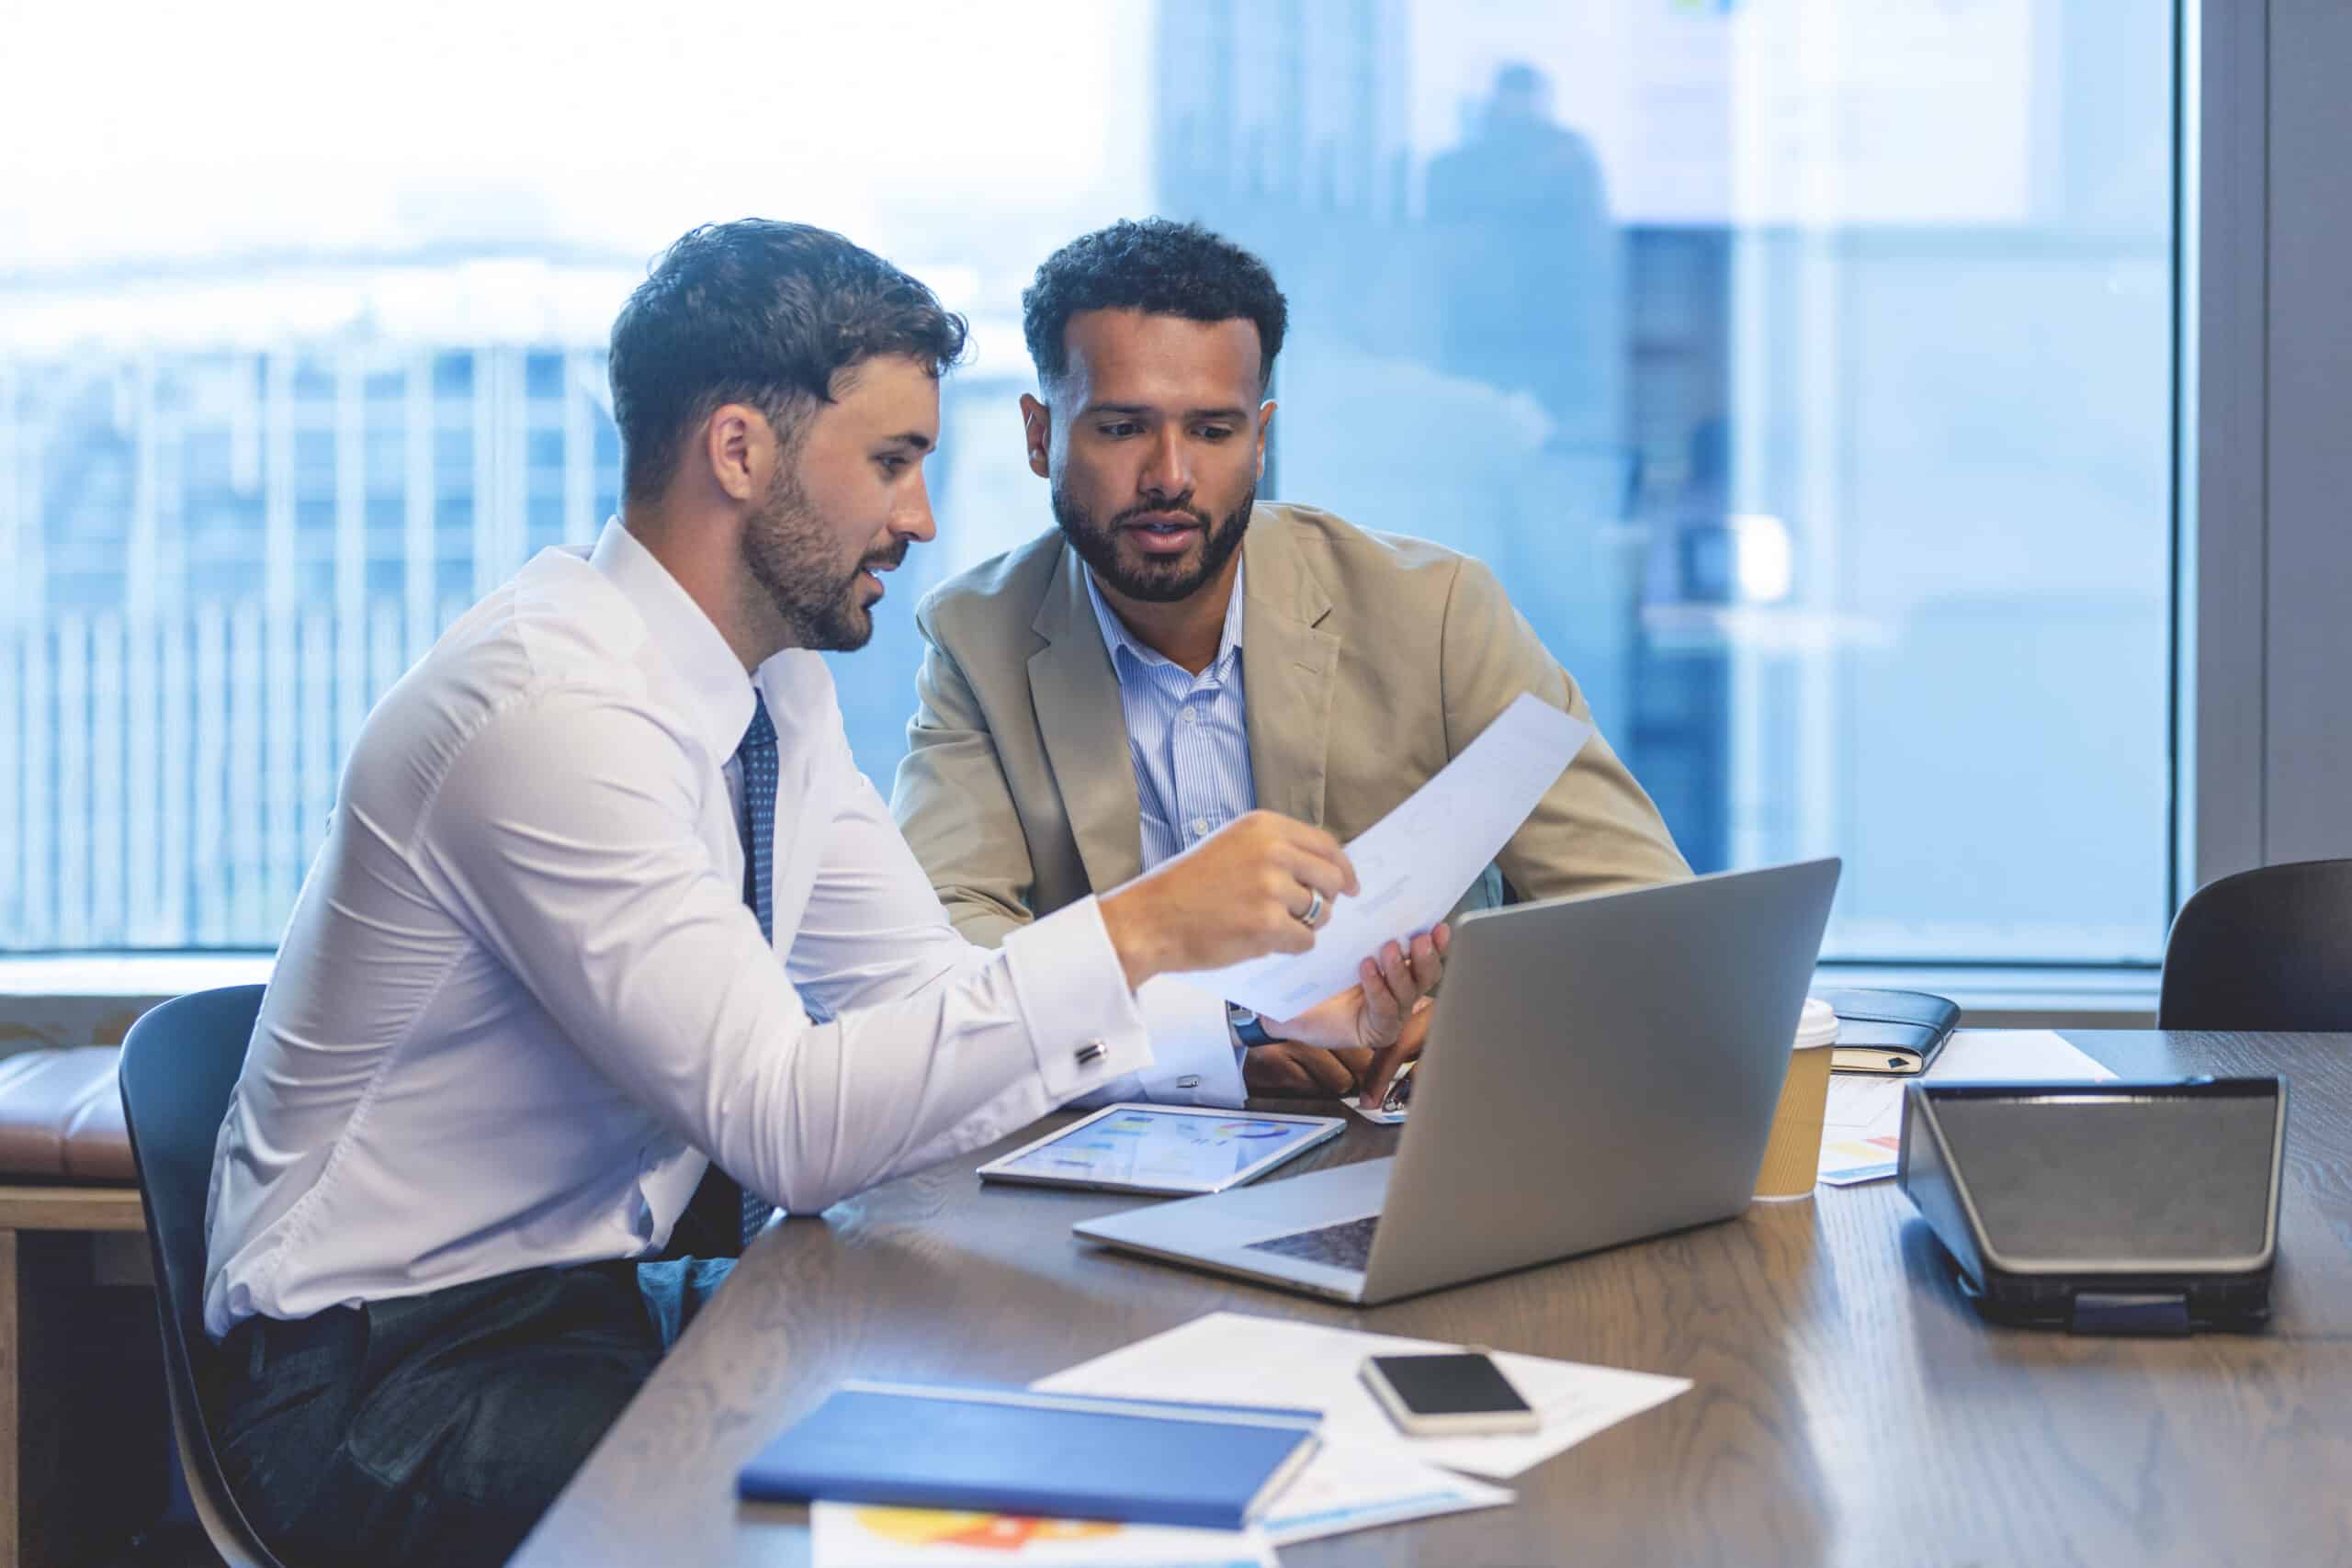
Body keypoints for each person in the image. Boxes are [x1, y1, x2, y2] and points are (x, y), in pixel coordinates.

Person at [199, 219, 1439, 1568]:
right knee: (977, 1518)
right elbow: (786, 1121)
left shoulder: (770, 688)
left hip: (590, 1312)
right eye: (894, 461)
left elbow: (929, 993)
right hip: (381, 1386)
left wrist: (1249, 1048)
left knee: (1068, 1397)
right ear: (740, 450)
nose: (920, 515)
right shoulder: (549, 716)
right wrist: (1144, 927)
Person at [890, 219, 1689, 1111]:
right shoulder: (977, 638)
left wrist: (1473, 1026)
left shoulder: (1436, 614)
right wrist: (1222, 1042)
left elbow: (1644, 923)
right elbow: (943, 971)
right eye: (1120, 428)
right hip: (1116, 1174)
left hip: (1408, 1144)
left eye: (1213, 430)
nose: (1170, 476)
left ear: (1260, 439)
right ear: (1040, 436)